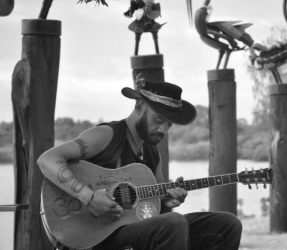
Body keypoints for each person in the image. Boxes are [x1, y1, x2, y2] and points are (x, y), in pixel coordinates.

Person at [37, 78, 242, 250]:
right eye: (158, 119)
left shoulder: (152, 154)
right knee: (173, 223)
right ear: (139, 106)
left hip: (128, 231)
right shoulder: (107, 135)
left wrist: (166, 202)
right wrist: (89, 197)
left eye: (168, 125)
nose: (162, 129)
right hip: (93, 236)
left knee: (226, 224)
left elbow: (152, 212)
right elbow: (47, 159)